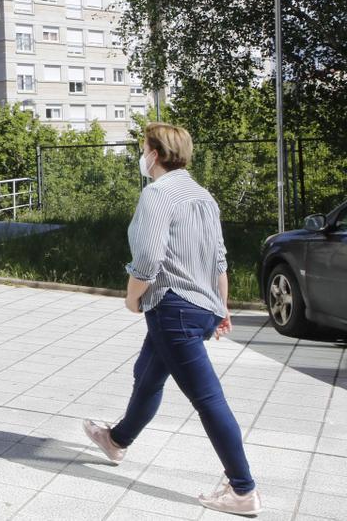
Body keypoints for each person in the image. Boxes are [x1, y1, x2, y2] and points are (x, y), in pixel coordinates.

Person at [82, 123, 261, 516]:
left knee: (208, 399)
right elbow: (219, 259)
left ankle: (243, 489)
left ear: (157, 154)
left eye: (143, 147)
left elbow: (147, 259)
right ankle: (116, 439)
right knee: (147, 372)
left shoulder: (157, 194)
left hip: (173, 308)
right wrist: (222, 307)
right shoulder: (203, 196)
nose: (141, 155)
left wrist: (132, 299)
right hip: (200, 307)